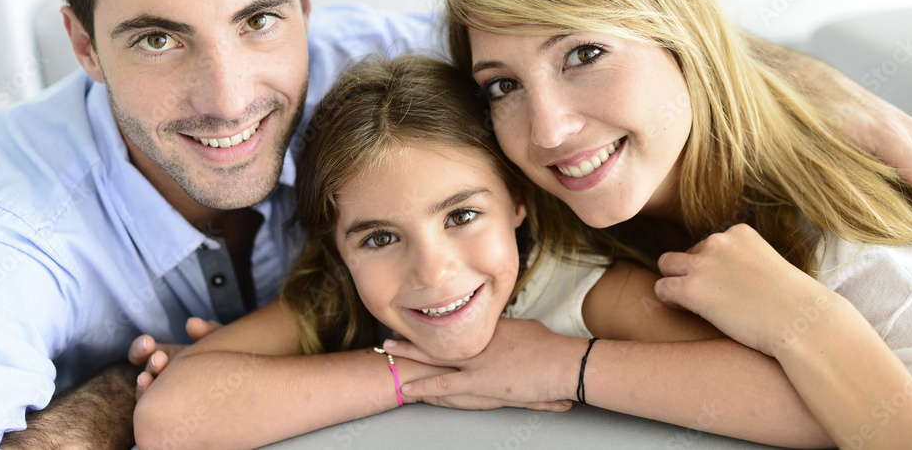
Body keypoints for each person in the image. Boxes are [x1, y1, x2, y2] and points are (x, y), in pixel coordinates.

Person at [0, 0, 908, 449]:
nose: (226, 93)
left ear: (306, 0)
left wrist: (833, 97)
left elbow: (624, 34)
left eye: (259, 20)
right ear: (83, 47)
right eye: (157, 38)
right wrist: (100, 406)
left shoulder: (402, 75)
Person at [393, 0, 912, 447]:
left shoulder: (852, 249)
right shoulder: (516, 221)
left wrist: (803, 318)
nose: (548, 131)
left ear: (681, 36)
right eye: (504, 85)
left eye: (583, 54)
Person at [132, 54, 828, 449]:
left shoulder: (580, 287)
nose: (432, 270)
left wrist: (562, 367)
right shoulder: (342, 297)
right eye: (379, 237)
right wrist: (424, 373)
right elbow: (170, 417)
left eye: (462, 214)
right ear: (340, 251)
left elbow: (802, 402)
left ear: (519, 200)